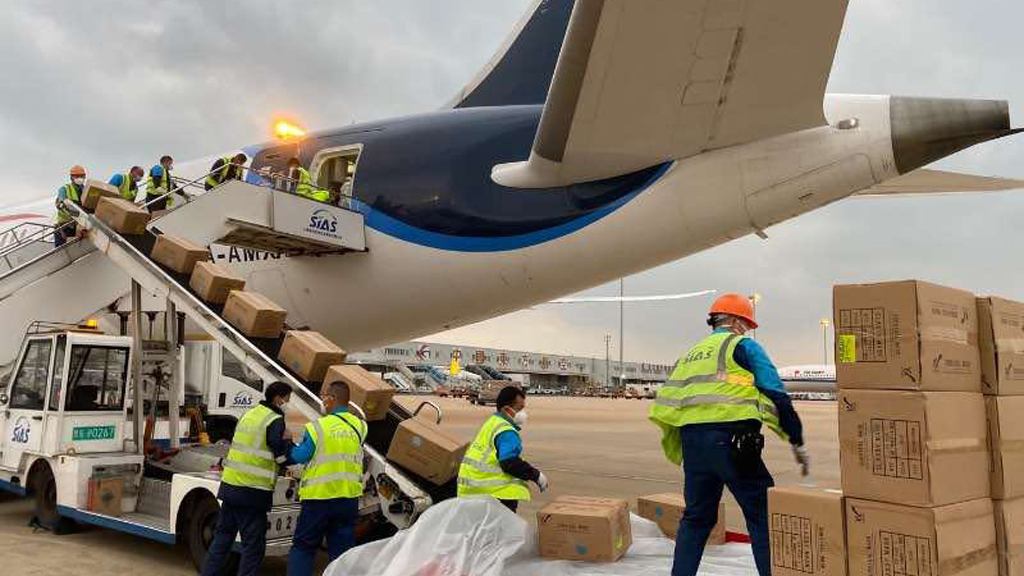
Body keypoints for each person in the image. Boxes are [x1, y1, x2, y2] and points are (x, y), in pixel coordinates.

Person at [649, 293, 808, 576]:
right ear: (734, 321)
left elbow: (670, 401)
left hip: (693, 444)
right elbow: (774, 391)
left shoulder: (690, 354)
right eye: (745, 324)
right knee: (762, 515)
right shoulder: (743, 346)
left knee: (696, 518)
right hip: (732, 442)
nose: (746, 330)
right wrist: (796, 438)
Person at [202, 382, 295, 576]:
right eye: (287, 399)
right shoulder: (275, 419)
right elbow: (280, 457)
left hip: (230, 486)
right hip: (253, 492)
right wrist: (289, 441)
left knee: (222, 540)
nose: (288, 403)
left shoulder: (249, 414)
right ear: (278, 398)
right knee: (252, 547)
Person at [287, 381, 367, 576]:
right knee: (342, 552)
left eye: (325, 398)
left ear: (331, 399)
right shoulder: (360, 426)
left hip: (319, 498)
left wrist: (289, 443)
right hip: (348, 498)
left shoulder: (317, 427)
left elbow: (300, 456)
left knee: (304, 547)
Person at [457, 386, 548, 513]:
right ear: (506, 409)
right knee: (503, 529)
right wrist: (536, 475)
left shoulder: (492, 422)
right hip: (494, 493)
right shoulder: (506, 431)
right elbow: (509, 462)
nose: (523, 413)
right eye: (520, 409)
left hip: (471, 489)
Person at [54, 165, 86, 247]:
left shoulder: (86, 190)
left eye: (82, 176)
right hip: (65, 225)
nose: (80, 178)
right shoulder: (65, 188)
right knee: (61, 251)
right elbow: (61, 200)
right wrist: (63, 202)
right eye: (77, 176)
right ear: (71, 177)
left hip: (79, 224)